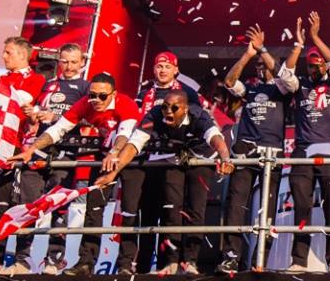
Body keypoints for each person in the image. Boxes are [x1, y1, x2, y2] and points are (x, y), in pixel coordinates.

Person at [9, 72, 140, 276]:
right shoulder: (85, 103)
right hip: (105, 155)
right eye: (92, 95)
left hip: (131, 156)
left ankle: (126, 264)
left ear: (113, 94)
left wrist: (115, 153)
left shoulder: (126, 104)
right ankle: (86, 263)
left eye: (102, 96)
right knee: (93, 209)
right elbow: (58, 129)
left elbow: (125, 134)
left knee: (129, 211)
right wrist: (31, 149)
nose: (96, 100)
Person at [95, 90, 233, 274]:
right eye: (165, 107)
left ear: (185, 109)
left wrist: (226, 159)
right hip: (174, 157)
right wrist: (113, 173)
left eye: (174, 108)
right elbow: (133, 145)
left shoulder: (199, 116)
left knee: (195, 209)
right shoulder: (154, 114)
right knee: (171, 208)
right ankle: (171, 261)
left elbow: (217, 140)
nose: (168, 111)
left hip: (202, 157)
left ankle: (190, 261)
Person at [219, 23, 297, 272]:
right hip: (245, 150)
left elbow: (286, 79)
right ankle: (230, 256)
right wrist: (248, 55)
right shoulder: (251, 88)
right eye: (259, 65)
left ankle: (259, 261)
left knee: (268, 208)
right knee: (236, 205)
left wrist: (263, 49)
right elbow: (229, 81)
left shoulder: (284, 88)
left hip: (271, 152)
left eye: (265, 64)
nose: (261, 68)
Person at [0, 34, 46, 274]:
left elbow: (17, 100)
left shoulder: (35, 78)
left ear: (23, 55)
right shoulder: (1, 77)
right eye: (4, 52)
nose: (4, 57)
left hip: (9, 147)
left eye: (9, 52)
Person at [20, 43, 90, 274]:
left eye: (73, 62)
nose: (68, 66)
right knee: (28, 204)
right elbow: (36, 114)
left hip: (66, 150)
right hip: (40, 148)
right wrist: (33, 116)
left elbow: (89, 119)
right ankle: (22, 259)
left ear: (82, 62)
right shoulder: (48, 84)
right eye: (64, 61)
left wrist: (57, 117)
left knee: (59, 205)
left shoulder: (86, 87)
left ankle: (54, 259)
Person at [287, 11, 330, 273]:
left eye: (320, 64)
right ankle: (299, 260)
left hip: (329, 148)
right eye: (312, 65)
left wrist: (316, 37)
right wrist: (299, 45)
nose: (316, 69)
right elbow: (284, 76)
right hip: (302, 149)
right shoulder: (299, 85)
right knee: (302, 207)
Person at [133, 50, 202, 273]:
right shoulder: (144, 93)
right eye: (159, 66)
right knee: (147, 212)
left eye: (167, 66)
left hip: (173, 161)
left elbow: (197, 122)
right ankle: (143, 266)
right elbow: (135, 121)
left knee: (170, 212)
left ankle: (167, 263)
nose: (163, 70)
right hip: (148, 159)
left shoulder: (187, 93)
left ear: (176, 70)